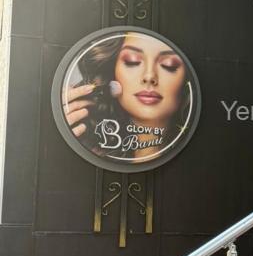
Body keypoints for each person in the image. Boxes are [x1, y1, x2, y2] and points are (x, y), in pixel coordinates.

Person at [62, 31, 190, 162]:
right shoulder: (89, 149)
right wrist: (60, 141)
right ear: (113, 72)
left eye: (169, 65)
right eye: (132, 61)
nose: (149, 76)